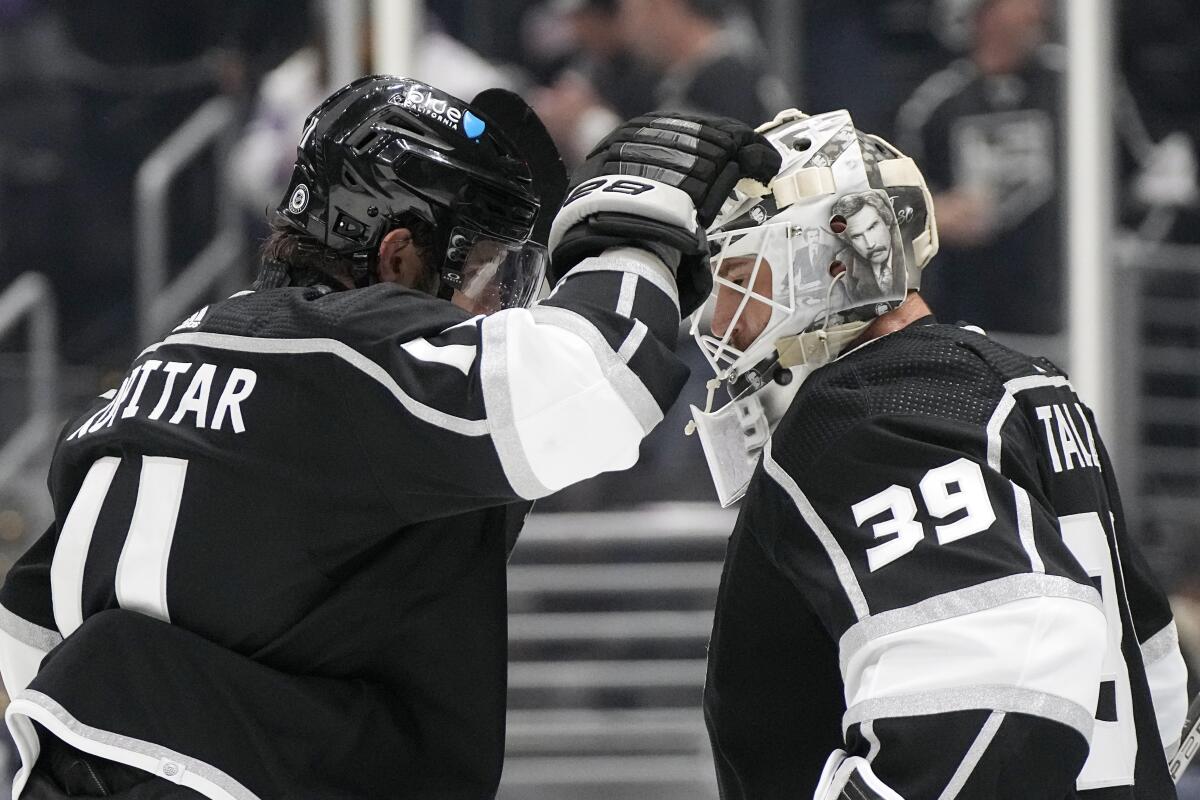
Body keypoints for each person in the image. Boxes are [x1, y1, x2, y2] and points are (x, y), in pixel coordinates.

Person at [0, 76, 779, 799]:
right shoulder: (343, 356)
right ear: (398, 255)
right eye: (482, 269)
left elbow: (26, 631)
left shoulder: (156, 367)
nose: (489, 308)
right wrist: (636, 222)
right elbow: (598, 386)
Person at [689, 107, 1189, 798]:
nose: (720, 321)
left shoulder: (868, 411)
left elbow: (1002, 681)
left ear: (832, 253)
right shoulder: (1025, 384)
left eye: (739, 275)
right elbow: (1156, 681)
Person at [895, 0, 1064, 355]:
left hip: (1068, 310)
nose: (1039, 10)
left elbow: (1145, 173)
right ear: (984, 12)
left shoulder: (1075, 85)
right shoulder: (936, 101)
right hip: (971, 313)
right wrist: (935, 213)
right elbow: (891, 202)